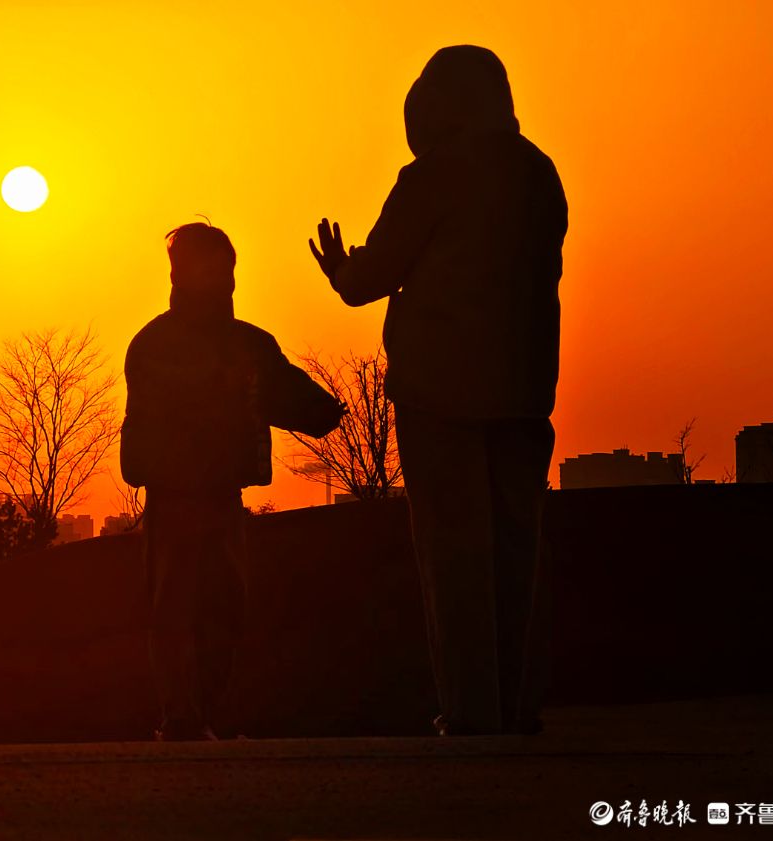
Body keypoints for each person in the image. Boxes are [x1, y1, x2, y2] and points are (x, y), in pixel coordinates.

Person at [309, 45, 568, 736]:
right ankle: (519, 705)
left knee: (454, 555)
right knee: (519, 552)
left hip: (439, 391)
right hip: (523, 388)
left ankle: (471, 708)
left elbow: (373, 276)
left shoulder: (433, 176)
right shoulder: (540, 174)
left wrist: (342, 268)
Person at [122, 221, 344, 741]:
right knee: (176, 609)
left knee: (222, 606)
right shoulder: (160, 345)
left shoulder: (244, 344)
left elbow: (288, 394)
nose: (219, 277)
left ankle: (200, 717)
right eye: (207, 265)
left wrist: (322, 410)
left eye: (224, 267)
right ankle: (182, 718)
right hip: (175, 496)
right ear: (178, 272)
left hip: (221, 493)